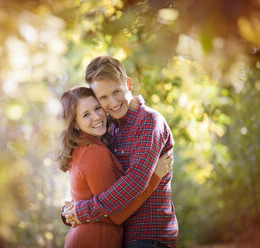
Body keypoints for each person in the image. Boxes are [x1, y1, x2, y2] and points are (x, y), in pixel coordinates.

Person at [62, 56, 178, 248]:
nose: (113, 102)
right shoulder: (110, 127)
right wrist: (69, 211)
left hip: (147, 235)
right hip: (122, 237)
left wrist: (81, 211)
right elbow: (96, 184)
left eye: (117, 91)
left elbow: (135, 182)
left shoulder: (148, 122)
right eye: (103, 98)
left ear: (129, 84)